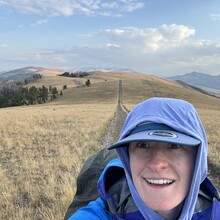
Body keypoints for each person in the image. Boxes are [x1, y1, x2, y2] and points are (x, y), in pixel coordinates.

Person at [66, 97, 220, 220]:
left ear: (198, 160)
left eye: (174, 146)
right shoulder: (104, 211)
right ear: (127, 159)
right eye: (143, 145)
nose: (157, 163)